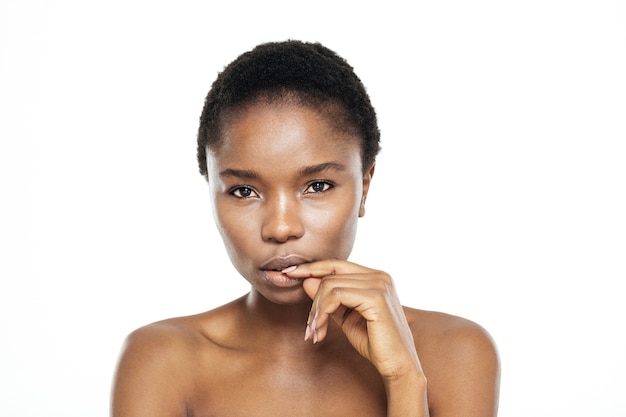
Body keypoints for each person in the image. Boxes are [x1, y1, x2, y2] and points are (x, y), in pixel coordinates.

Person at [110, 40, 500, 417]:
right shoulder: (161, 362)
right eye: (244, 191)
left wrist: (404, 379)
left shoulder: (455, 353)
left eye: (317, 186)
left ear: (364, 186)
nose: (281, 228)